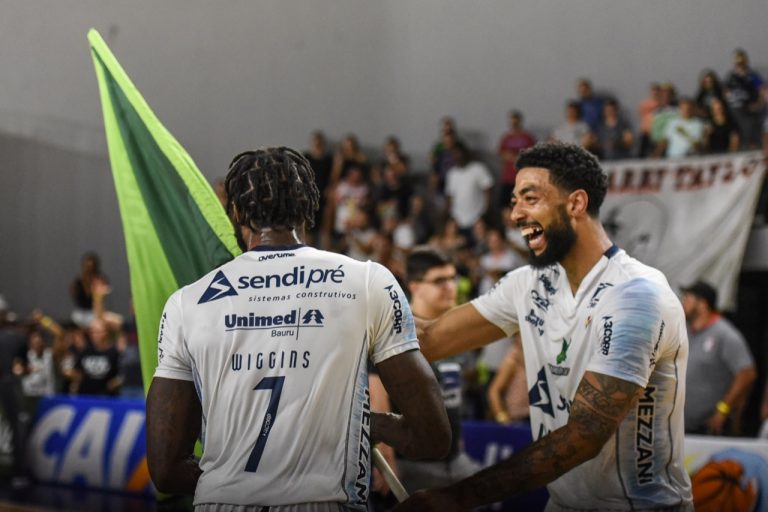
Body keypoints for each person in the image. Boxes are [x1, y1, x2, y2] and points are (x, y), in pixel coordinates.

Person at [146, 147, 450, 511]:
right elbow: (432, 437)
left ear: (237, 212)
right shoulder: (368, 282)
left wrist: (232, 482)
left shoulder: (186, 302)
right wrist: (371, 424)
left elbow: (165, 470)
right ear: (310, 208)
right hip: (325, 503)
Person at [395, 142, 692, 511]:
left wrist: (456, 497)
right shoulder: (528, 283)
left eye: (530, 198)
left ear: (576, 203)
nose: (516, 214)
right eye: (515, 200)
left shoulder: (636, 295)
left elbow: (584, 436)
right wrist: (353, 301)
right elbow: (429, 339)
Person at [391, 247, 482, 492]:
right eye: (439, 281)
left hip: (455, 459)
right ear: (415, 286)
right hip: (412, 465)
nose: (450, 286)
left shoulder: (456, 329)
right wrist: (387, 461)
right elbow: (377, 395)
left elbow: (454, 397)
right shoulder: (397, 330)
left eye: (453, 278)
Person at [681, 280, 756, 435]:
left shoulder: (724, 334)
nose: (683, 303)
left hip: (708, 428)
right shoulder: (684, 331)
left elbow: (747, 373)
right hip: (682, 426)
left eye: (688, 298)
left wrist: (723, 408)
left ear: (702, 304)